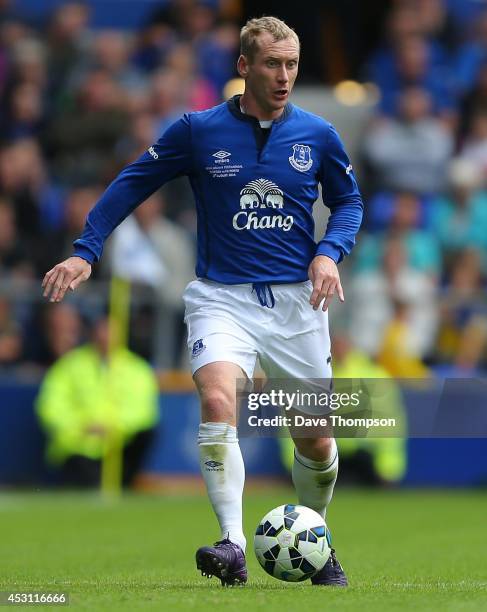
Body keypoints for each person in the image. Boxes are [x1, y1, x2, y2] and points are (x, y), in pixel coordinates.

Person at [42, 17, 363, 587]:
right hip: (221, 297)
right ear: (244, 67)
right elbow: (132, 182)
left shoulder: (318, 135)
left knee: (315, 440)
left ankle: (315, 535)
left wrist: (329, 253)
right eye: (272, 64)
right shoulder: (197, 130)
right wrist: (86, 250)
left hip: (297, 302)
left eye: (292, 64)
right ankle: (233, 544)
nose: (285, 75)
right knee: (219, 400)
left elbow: (349, 204)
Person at [36, 314, 159, 487]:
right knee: (85, 478)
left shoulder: (137, 368)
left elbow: (144, 412)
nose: (106, 336)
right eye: (103, 330)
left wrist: (113, 426)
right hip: (79, 445)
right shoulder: (69, 365)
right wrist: (82, 426)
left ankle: (126, 482)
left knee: (148, 433)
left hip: (119, 446)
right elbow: (50, 407)